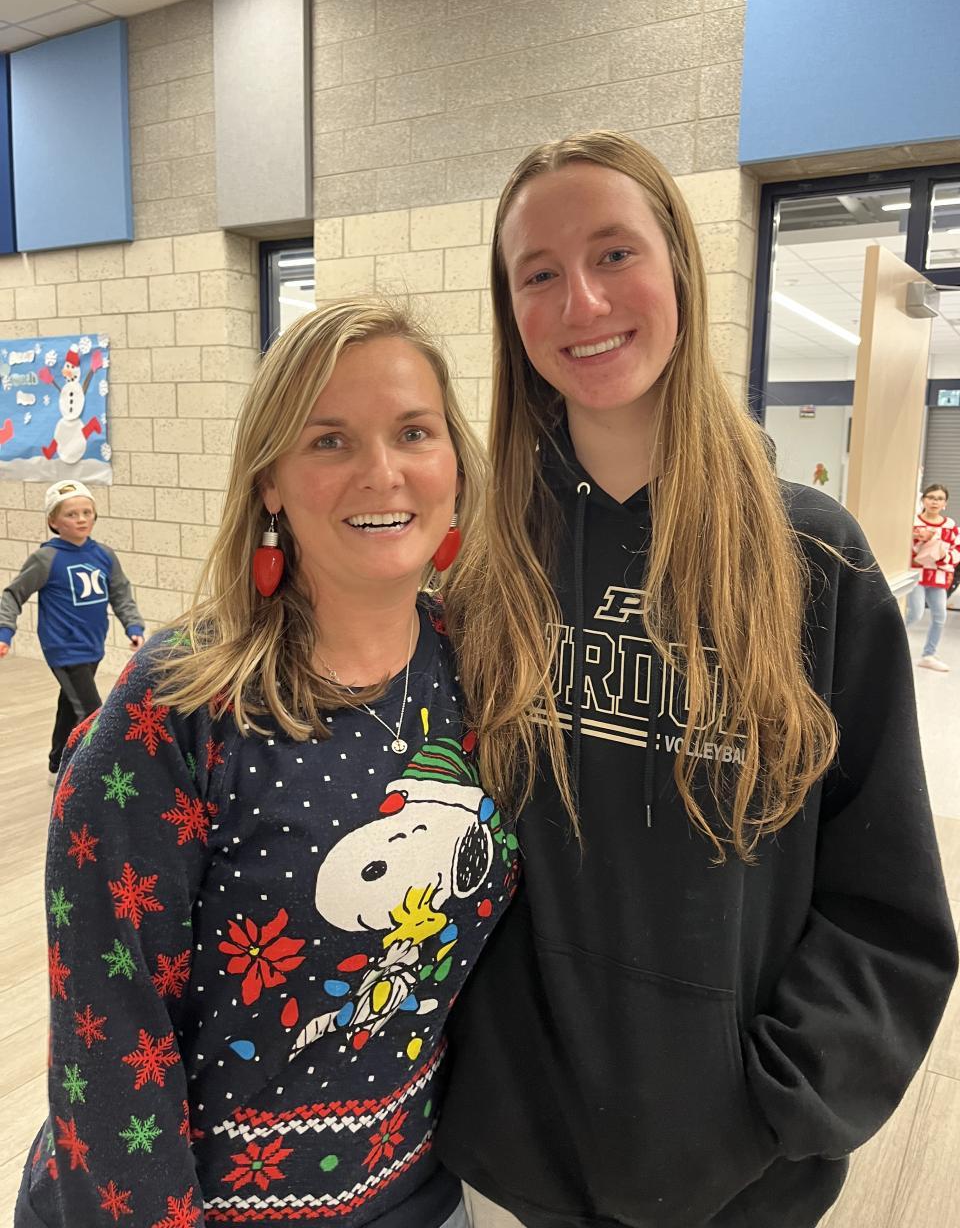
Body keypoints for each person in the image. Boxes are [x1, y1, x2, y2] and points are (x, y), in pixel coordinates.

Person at [435, 132, 958, 1228]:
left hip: (745, 1172)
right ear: (509, 309)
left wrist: (772, 1106)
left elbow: (889, 907)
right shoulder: (483, 565)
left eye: (614, 253)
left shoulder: (813, 559)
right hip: (516, 1159)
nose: (582, 301)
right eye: (539, 272)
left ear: (678, 263)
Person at [16, 299, 513, 1228]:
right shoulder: (178, 706)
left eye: (414, 432)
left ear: (454, 463)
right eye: (330, 440)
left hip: (418, 1195)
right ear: (271, 480)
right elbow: (108, 1027)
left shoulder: (483, 673)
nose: (383, 471)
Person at [0, 478, 144, 783]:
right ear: (53, 521)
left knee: (70, 706)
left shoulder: (104, 555)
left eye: (86, 512)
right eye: (71, 514)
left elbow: (120, 592)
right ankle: (100, 777)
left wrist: (133, 625)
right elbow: (13, 594)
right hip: (64, 649)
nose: (81, 519)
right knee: (93, 712)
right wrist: (5, 631)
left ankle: (56, 764)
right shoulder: (46, 559)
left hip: (93, 646)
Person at [905, 482, 959, 671]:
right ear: (923, 500)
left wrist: (942, 560)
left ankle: (928, 655)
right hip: (917, 576)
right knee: (915, 613)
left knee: (940, 616)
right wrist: (920, 542)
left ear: (945, 503)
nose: (935, 502)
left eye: (940, 499)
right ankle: (888, 641)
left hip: (938, 578)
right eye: (931, 497)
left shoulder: (950, 526)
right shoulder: (913, 523)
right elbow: (906, 552)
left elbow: (956, 552)